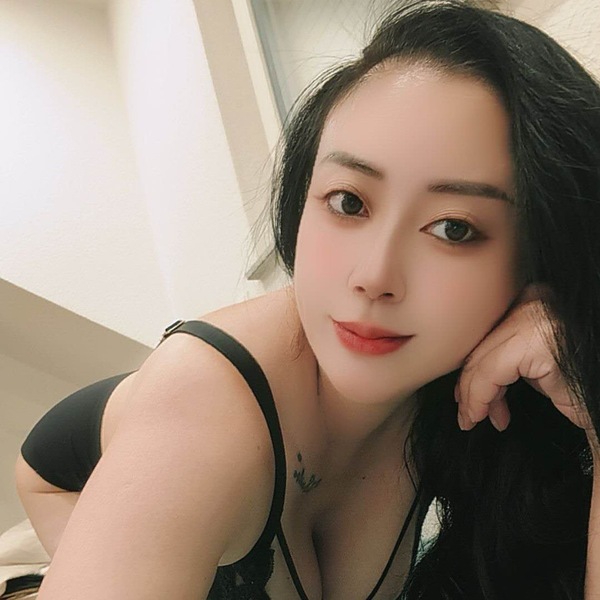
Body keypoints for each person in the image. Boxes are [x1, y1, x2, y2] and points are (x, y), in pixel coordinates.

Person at [13, 0, 600, 597]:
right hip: (62, 479)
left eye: (454, 228)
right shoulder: (202, 420)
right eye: (349, 202)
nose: (373, 276)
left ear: (541, 257)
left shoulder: (490, 391)